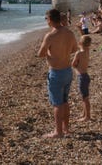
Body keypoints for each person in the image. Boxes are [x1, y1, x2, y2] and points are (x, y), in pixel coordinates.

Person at [38, 8, 78, 138]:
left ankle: (58, 131)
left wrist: (50, 54)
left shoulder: (50, 35)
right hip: (67, 71)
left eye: (46, 19)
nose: (46, 21)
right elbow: (74, 49)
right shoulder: (69, 33)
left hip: (56, 72)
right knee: (65, 101)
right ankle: (66, 129)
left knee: (57, 103)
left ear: (50, 20)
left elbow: (40, 54)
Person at [72, 35, 92, 121]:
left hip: (82, 76)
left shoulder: (78, 53)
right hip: (85, 75)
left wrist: (76, 66)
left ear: (80, 43)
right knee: (84, 97)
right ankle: (84, 113)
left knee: (85, 98)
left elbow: (73, 64)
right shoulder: (87, 50)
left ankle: (87, 116)